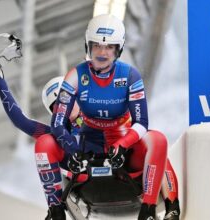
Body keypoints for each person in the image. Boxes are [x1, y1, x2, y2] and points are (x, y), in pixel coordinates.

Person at [35, 14, 180, 220]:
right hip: (86, 156)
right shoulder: (75, 76)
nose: (102, 53)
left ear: (118, 49)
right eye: (97, 46)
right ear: (88, 46)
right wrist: (73, 150)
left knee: (157, 140)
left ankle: (155, 209)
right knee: (44, 143)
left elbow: (141, 123)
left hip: (124, 154)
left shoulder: (130, 76)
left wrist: (122, 144)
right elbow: (57, 124)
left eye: (109, 47)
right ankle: (56, 210)